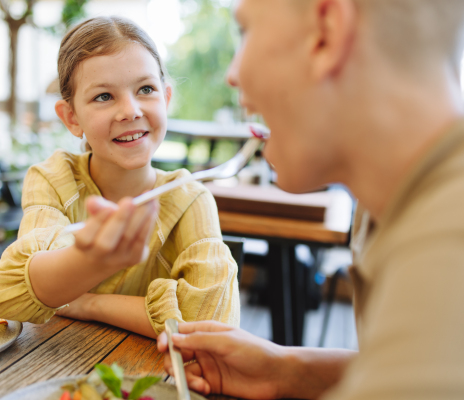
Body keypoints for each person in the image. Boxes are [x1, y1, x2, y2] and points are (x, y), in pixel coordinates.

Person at [157, 0, 464, 399]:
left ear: (326, 33)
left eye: (246, 32)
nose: (232, 75)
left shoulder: (447, 245)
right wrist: (287, 371)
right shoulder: (386, 207)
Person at [0, 16, 240, 339]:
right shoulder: (54, 179)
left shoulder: (189, 198)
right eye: (104, 96)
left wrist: (88, 303)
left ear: (166, 98)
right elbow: (8, 297)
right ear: (71, 118)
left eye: (146, 89)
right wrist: (93, 264)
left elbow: (211, 326)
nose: (131, 110)